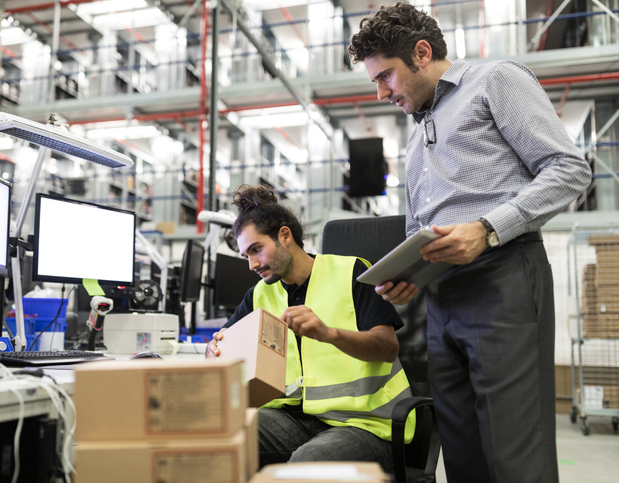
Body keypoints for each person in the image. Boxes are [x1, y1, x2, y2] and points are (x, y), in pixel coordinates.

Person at [348, 3, 593, 483]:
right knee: (462, 453)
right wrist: (407, 278)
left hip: (503, 279)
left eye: (386, 77)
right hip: (441, 296)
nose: (381, 93)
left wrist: (485, 228)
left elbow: (569, 170)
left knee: (513, 452)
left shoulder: (496, 80)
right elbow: (419, 227)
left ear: (422, 53)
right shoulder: (416, 139)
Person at [206, 184, 414, 471]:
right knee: (217, 434)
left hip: (364, 424)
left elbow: (388, 348)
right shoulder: (259, 294)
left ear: (285, 236)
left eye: (257, 250)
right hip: (294, 419)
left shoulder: (351, 273)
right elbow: (224, 343)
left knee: (306, 464)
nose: (252, 264)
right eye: (246, 256)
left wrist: (329, 334)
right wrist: (215, 348)